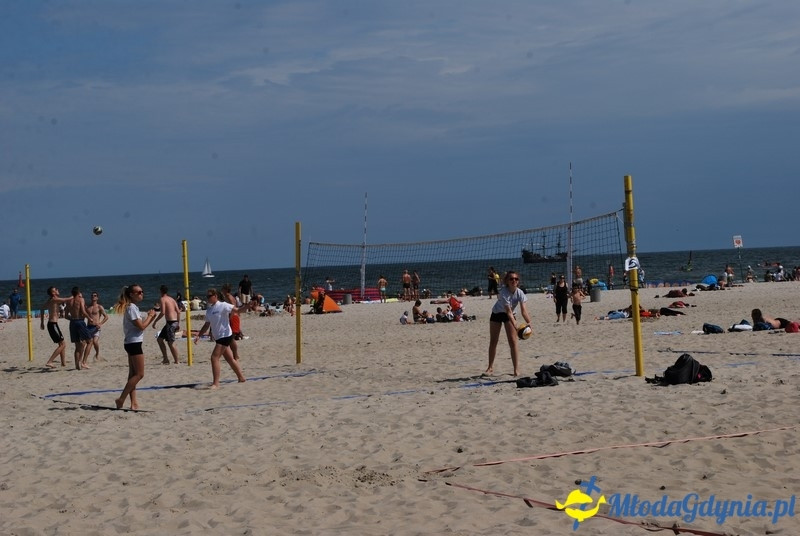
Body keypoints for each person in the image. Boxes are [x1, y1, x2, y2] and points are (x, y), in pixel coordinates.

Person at [194, 288, 251, 388]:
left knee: (214, 358)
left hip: (225, 335)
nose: (207, 298)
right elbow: (206, 325)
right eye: (207, 296)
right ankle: (241, 378)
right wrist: (199, 335)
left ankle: (216, 383)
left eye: (209, 296)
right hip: (218, 337)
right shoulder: (209, 310)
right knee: (230, 359)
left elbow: (238, 310)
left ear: (215, 296)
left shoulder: (223, 305)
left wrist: (247, 306)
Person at [114, 285, 157, 410]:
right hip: (133, 343)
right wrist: (150, 316)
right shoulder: (131, 307)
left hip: (131, 342)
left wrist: (150, 316)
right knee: (139, 374)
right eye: (138, 292)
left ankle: (133, 403)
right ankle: (121, 399)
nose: (141, 294)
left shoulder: (132, 307)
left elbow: (139, 325)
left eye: (142, 291)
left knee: (132, 374)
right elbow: (141, 326)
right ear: (131, 294)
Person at [486, 271, 531, 377]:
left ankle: (516, 369)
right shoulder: (503, 292)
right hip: (497, 314)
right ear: (507, 281)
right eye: (511, 279)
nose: (514, 281)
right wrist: (515, 324)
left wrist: (529, 322)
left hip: (509, 316)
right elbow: (508, 311)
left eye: (516, 279)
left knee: (513, 341)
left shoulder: (520, 293)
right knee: (493, 341)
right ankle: (490, 367)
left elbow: (524, 311)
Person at [40, 287, 71, 368]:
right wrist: (75, 295)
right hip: (53, 324)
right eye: (56, 289)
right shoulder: (54, 299)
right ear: (53, 293)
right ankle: (50, 361)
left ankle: (63, 363)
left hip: (52, 324)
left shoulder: (50, 300)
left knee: (62, 343)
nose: (58, 290)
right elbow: (66, 299)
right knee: (63, 344)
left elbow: (42, 308)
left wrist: (42, 322)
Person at [153, 285, 182, 364]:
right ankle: (165, 358)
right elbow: (178, 312)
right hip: (173, 322)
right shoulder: (172, 299)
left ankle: (177, 361)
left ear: (160, 291)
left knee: (171, 343)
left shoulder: (163, 299)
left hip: (171, 323)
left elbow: (162, 312)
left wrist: (155, 321)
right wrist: (178, 323)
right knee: (159, 339)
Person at [65, 287, 92, 370]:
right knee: (89, 341)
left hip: (72, 322)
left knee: (77, 345)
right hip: (80, 321)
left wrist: (73, 319)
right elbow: (83, 311)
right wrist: (89, 318)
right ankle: (83, 362)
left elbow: (66, 316)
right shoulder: (80, 299)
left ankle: (77, 364)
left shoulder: (69, 301)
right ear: (78, 293)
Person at [82, 291, 109, 365]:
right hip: (88, 327)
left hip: (96, 327)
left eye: (95, 295)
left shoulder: (99, 307)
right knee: (85, 343)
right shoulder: (88, 307)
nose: (93, 296)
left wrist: (101, 323)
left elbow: (106, 317)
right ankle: (84, 360)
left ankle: (97, 353)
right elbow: (83, 316)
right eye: (92, 295)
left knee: (95, 342)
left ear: (97, 297)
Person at [221, 283, 243, 359]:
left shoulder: (229, 297)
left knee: (231, 338)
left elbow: (232, 309)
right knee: (230, 338)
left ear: (226, 290)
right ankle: (234, 354)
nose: (221, 290)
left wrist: (229, 318)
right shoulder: (229, 297)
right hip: (233, 316)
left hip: (233, 317)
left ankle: (235, 354)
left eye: (223, 289)